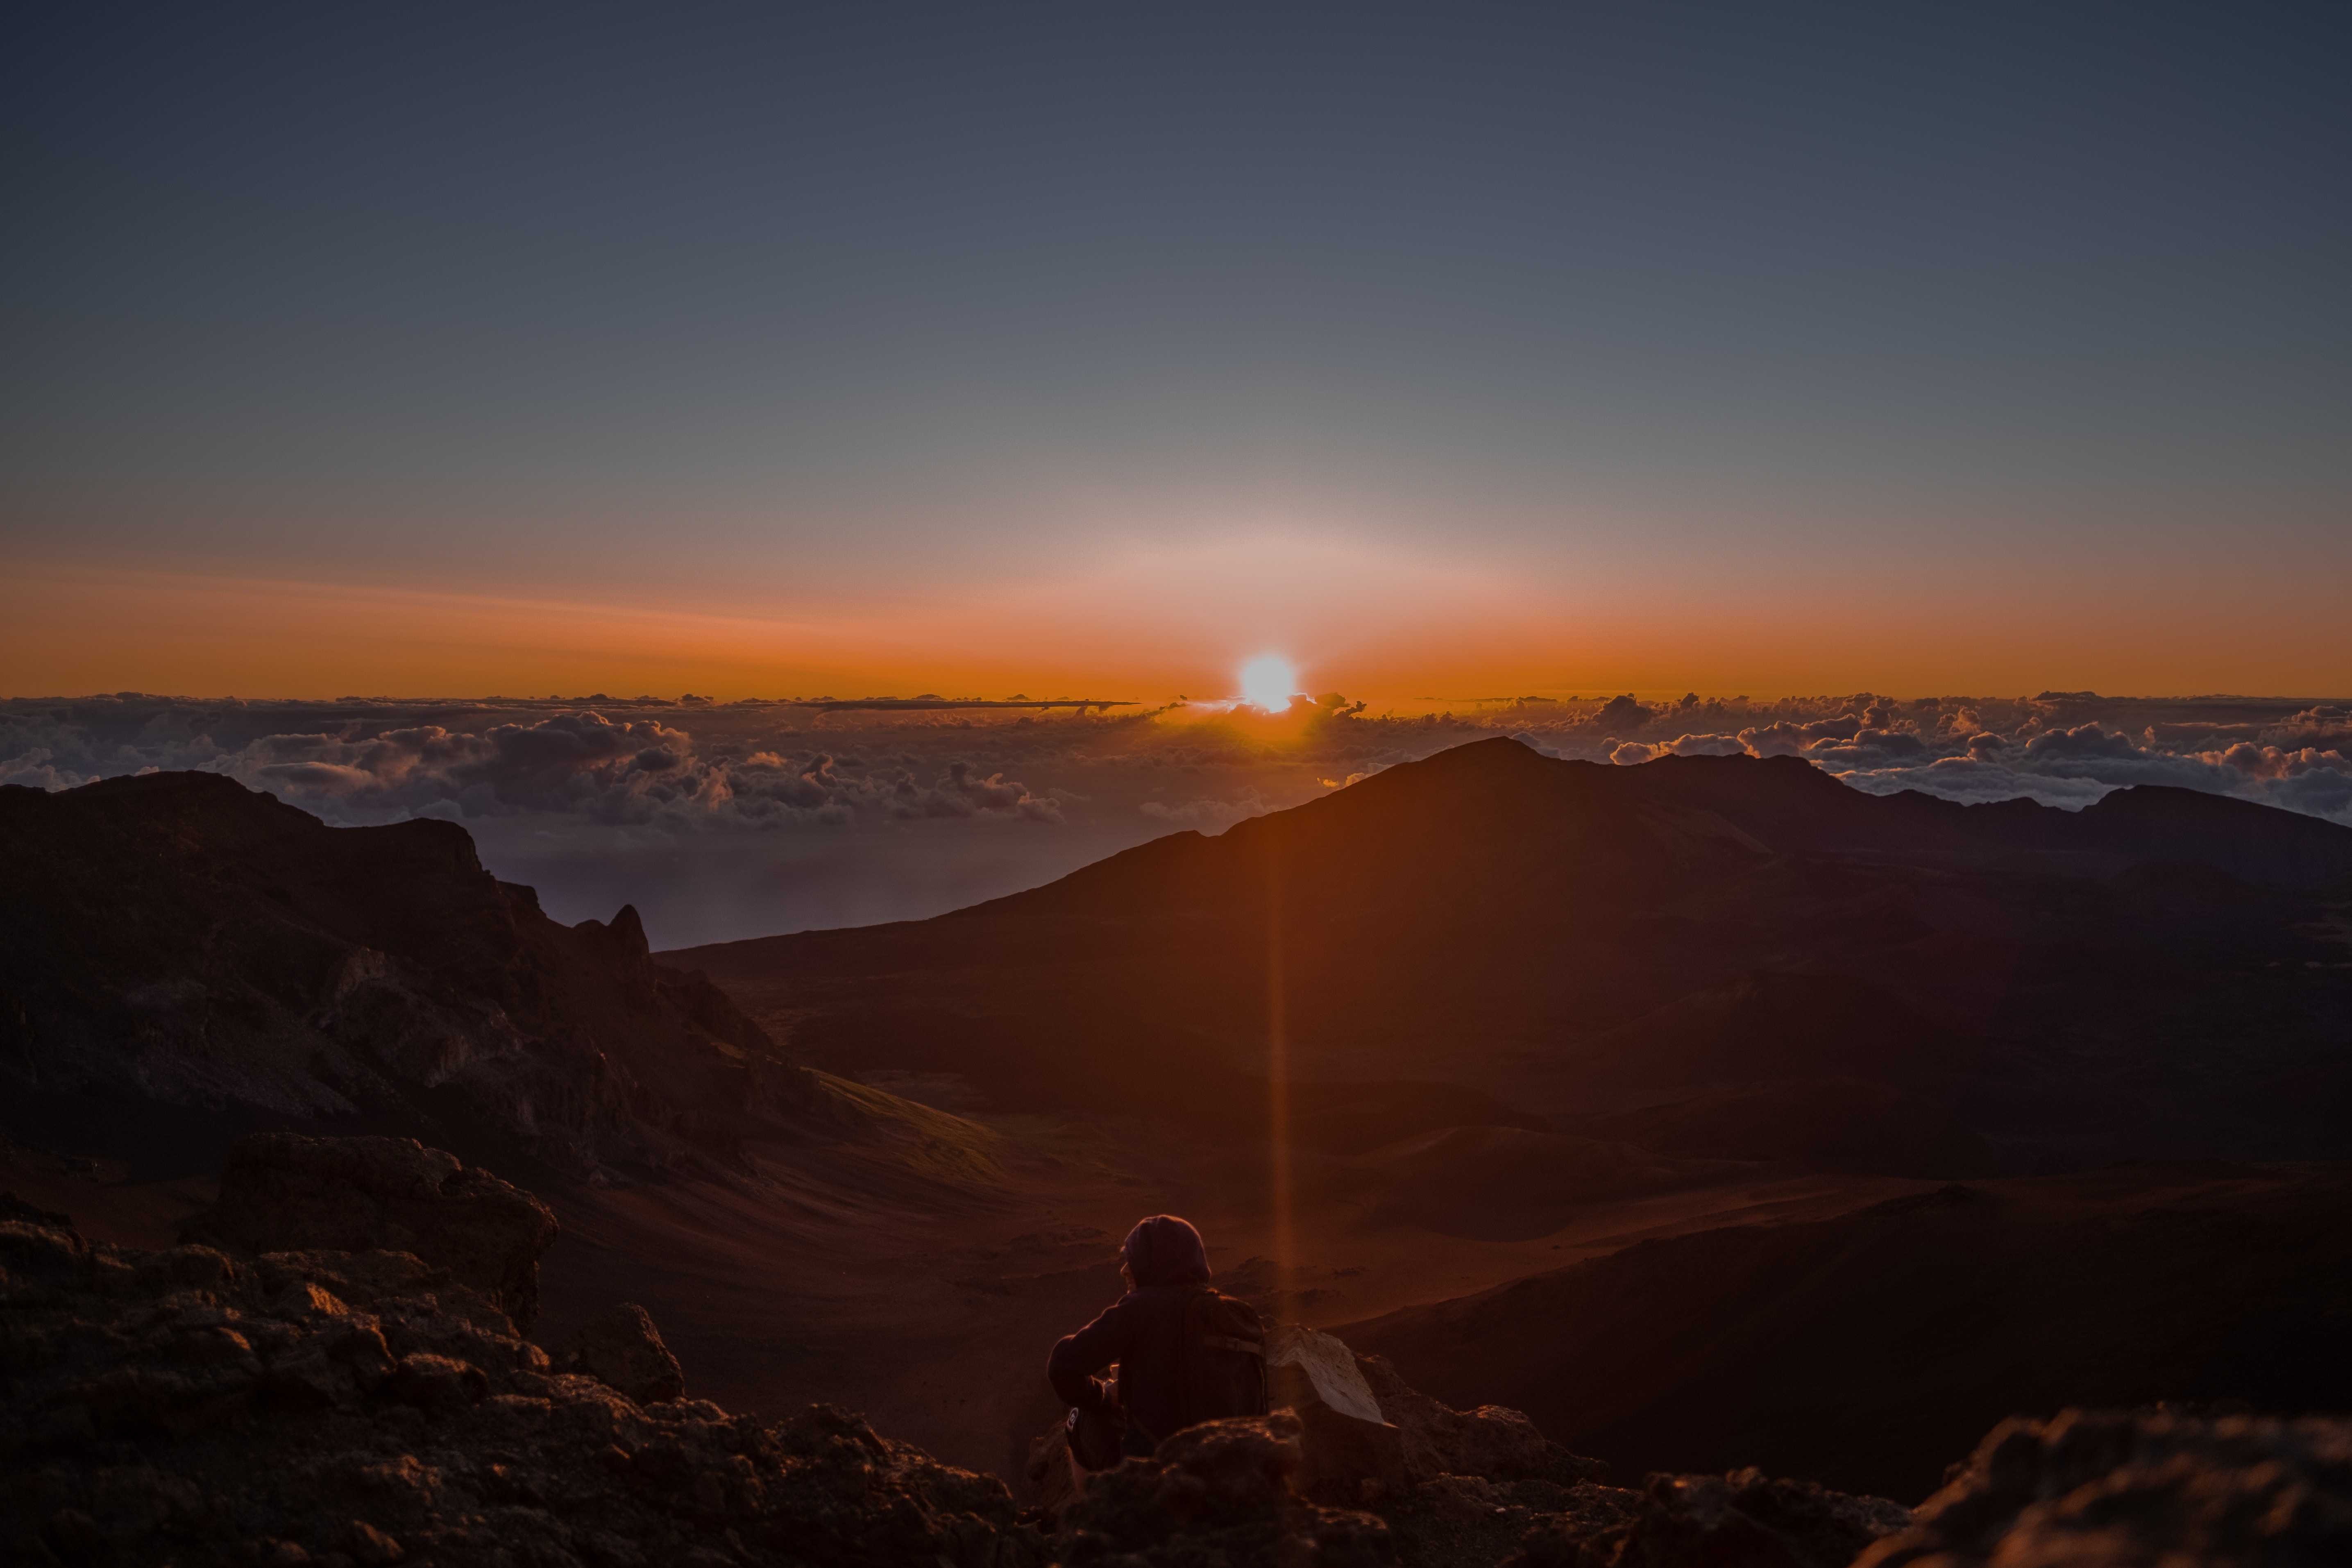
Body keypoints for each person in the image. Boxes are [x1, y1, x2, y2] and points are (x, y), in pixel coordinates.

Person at [1047, 1214, 1267, 1467]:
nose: (1124, 1270)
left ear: (1155, 1262)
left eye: (1134, 1258)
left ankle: (1103, 1503)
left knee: (1078, 1416)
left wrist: (1104, 1397)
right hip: (1230, 1469)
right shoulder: (1232, 1314)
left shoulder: (1141, 1307)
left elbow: (1062, 1365)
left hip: (1154, 1468)